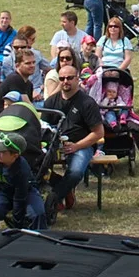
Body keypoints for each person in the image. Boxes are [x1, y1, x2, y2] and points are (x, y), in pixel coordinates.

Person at [43, 62, 104, 213]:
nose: (65, 81)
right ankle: (64, 187)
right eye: (62, 78)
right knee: (34, 165)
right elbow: (43, 126)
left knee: (76, 172)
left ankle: (54, 198)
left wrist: (76, 146)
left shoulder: (87, 103)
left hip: (80, 145)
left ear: (77, 79)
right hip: (53, 145)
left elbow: (98, 133)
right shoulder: (51, 102)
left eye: (69, 78)